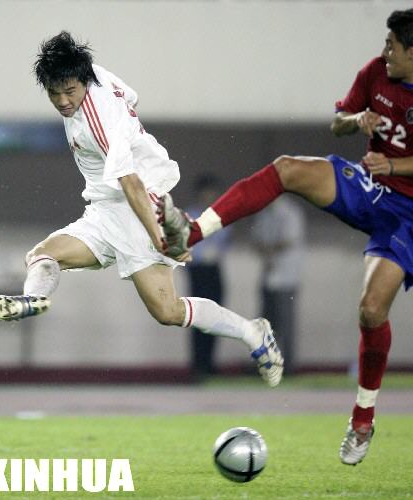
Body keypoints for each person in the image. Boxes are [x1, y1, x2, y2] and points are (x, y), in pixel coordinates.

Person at [159, 9, 413, 465]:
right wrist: (357, 120)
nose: (384, 51)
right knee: (287, 169)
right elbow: (338, 121)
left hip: (408, 215)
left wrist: (393, 164)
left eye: (393, 46)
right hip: (370, 186)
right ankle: (193, 232)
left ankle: (362, 418)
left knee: (372, 310)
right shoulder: (375, 72)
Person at [0, 31, 283, 388]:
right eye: (54, 93)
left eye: (69, 91)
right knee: (42, 255)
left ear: (83, 81)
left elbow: (132, 184)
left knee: (167, 311)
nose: (62, 101)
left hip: (138, 206)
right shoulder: (91, 73)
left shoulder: (99, 122)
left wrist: (162, 238)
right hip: (104, 209)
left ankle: (252, 332)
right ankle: (33, 299)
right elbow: (130, 95)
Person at [251, 197, 305, 375]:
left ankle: (287, 366)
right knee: (266, 323)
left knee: (285, 323)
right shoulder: (263, 214)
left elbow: (289, 240)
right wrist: (266, 252)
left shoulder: (291, 213)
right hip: (268, 275)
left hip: (286, 277)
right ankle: (265, 364)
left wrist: (269, 251)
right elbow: (256, 239)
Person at [185, 174, 231, 377]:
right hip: (198, 270)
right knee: (198, 318)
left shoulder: (220, 214)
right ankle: (198, 364)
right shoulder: (190, 216)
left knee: (215, 317)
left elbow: (224, 241)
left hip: (214, 269)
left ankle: (210, 363)